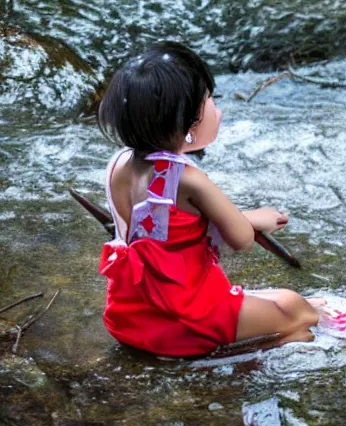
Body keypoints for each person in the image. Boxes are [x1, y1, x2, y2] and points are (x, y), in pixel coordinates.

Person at [97, 41, 325, 357]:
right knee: (297, 308)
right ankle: (263, 345)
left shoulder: (119, 164)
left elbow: (163, 226)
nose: (216, 108)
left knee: (277, 299)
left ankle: (258, 323)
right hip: (185, 319)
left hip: (131, 315)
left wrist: (249, 217)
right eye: (209, 100)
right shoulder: (188, 179)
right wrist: (258, 219)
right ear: (188, 125)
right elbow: (242, 238)